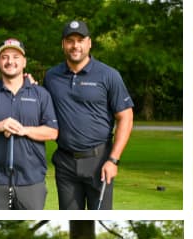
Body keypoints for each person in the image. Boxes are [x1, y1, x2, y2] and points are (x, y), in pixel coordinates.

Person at [43, 20, 134, 210]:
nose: (75, 46)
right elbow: (40, 106)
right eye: (70, 41)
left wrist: (113, 160)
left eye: (80, 40)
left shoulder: (108, 75)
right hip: (65, 162)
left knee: (98, 221)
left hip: (99, 162)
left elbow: (126, 116)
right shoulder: (51, 76)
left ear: (89, 43)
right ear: (63, 44)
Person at [0, 39, 59, 210]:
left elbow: (52, 132)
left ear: (24, 61)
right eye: (5, 57)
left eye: (16, 57)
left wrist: (23, 130)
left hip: (31, 181)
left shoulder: (40, 94)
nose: (10, 61)